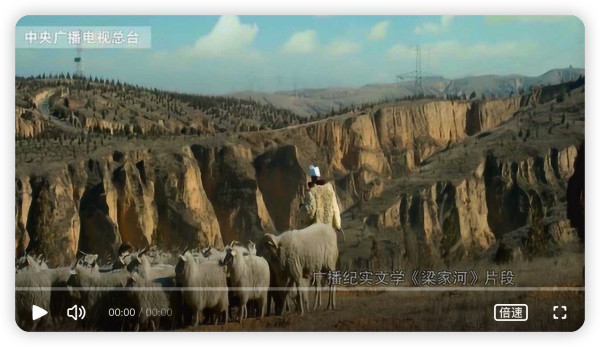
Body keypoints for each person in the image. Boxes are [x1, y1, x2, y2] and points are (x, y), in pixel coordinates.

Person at [300, 165, 345, 241]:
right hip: (328, 231)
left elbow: (309, 212)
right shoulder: (330, 189)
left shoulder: (312, 192)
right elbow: (335, 208)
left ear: (312, 178)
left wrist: (302, 208)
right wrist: (338, 225)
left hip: (316, 233)